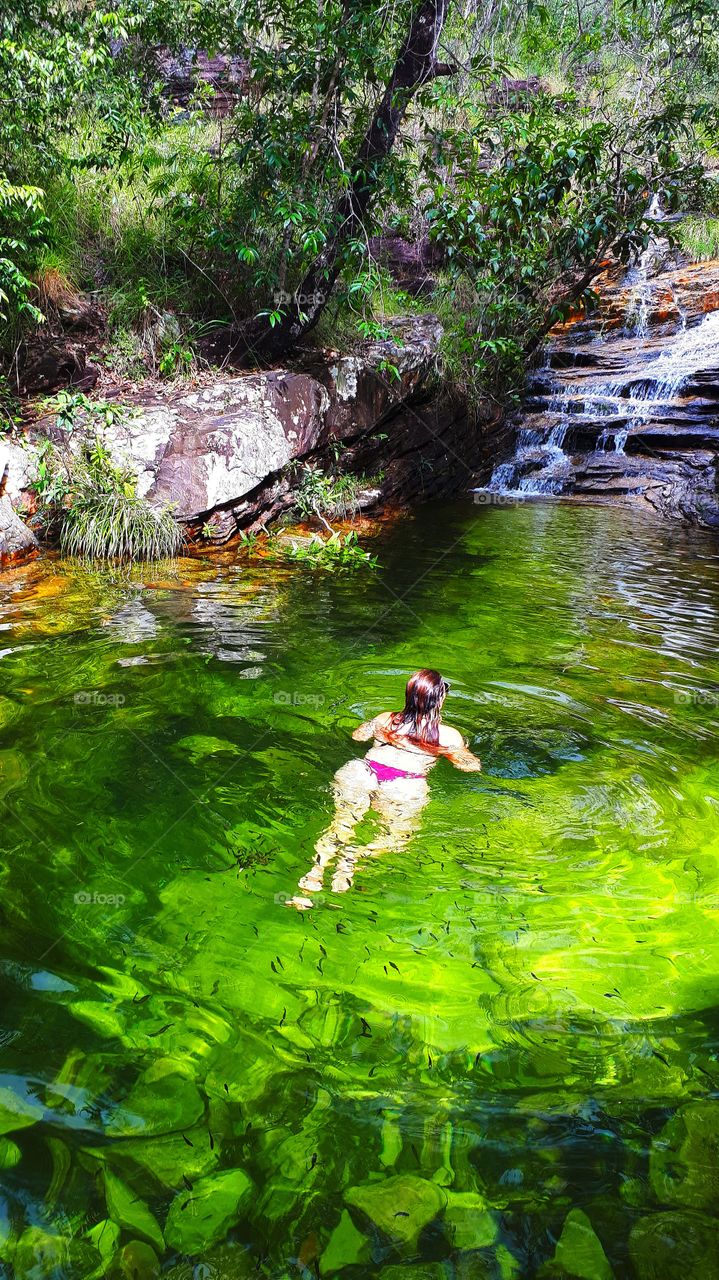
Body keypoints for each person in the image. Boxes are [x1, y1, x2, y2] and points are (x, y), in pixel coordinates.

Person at [286, 669, 481, 909]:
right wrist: (463, 749)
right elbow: (468, 767)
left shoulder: (385, 719)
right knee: (397, 839)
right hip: (404, 784)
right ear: (439, 699)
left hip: (362, 771)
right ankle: (352, 857)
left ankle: (313, 875)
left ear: (409, 695)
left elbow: (358, 736)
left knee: (340, 825)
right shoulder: (447, 735)